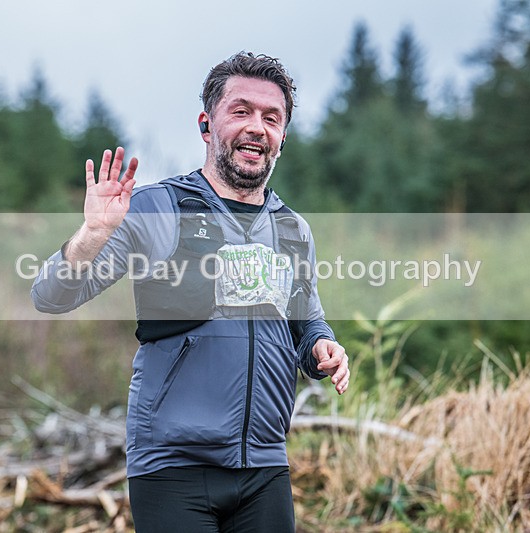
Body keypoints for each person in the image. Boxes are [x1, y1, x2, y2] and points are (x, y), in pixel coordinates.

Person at [31, 51, 349, 533]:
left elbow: (307, 324)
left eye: (271, 118)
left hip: (264, 465)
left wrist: (323, 347)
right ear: (206, 124)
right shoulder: (158, 208)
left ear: (282, 138)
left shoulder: (292, 230)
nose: (257, 127)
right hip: (172, 467)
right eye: (240, 111)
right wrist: (92, 235)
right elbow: (51, 295)